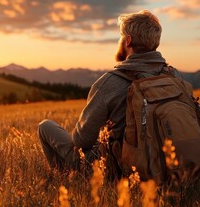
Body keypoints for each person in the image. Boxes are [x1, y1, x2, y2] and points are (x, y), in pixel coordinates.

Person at [38, 10, 181, 173]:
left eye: (121, 37)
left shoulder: (110, 82)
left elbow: (81, 141)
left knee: (45, 126)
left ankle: (65, 178)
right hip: (170, 164)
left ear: (128, 41)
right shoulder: (174, 75)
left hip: (119, 170)